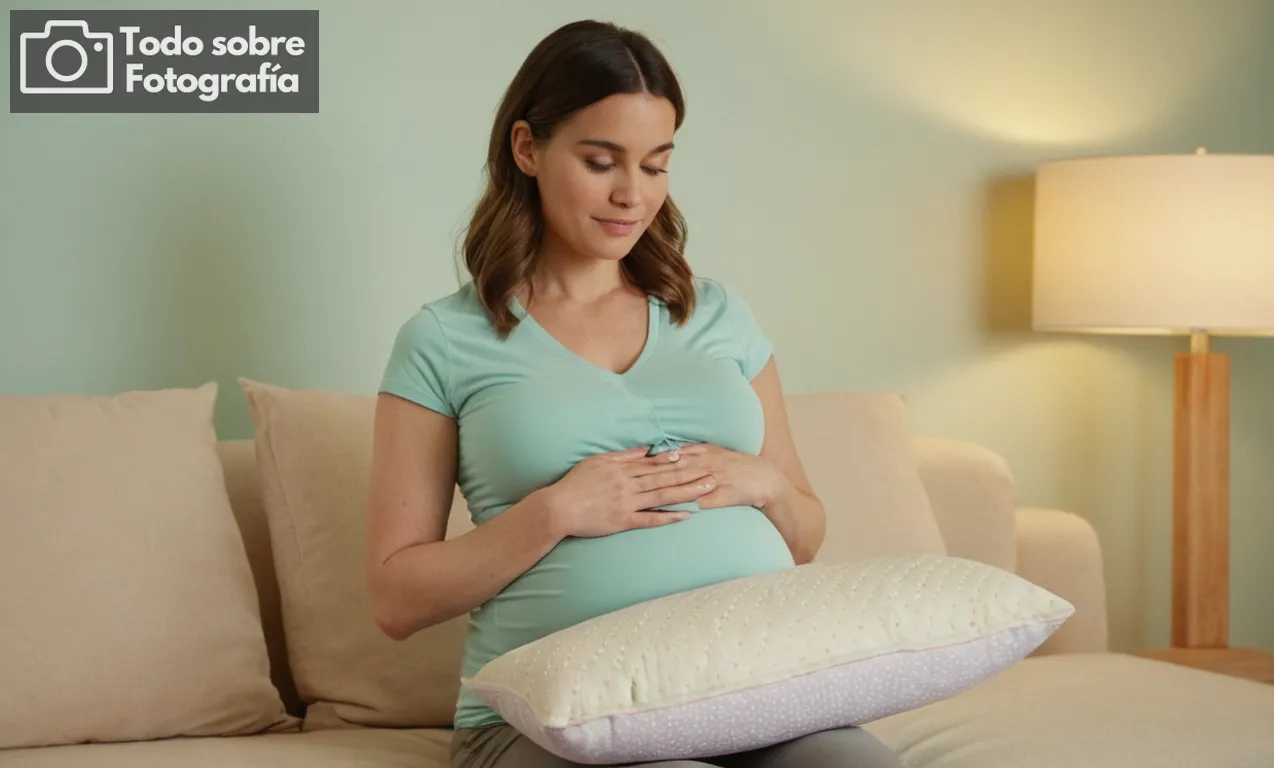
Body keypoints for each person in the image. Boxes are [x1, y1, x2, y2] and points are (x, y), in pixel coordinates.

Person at [366, 19, 895, 768]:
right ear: (527, 149)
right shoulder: (444, 341)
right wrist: (556, 511)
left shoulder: (717, 314)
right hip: (554, 719)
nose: (631, 194)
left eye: (655, 165)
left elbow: (804, 535)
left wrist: (765, 483)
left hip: (758, 693)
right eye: (600, 161)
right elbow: (394, 599)